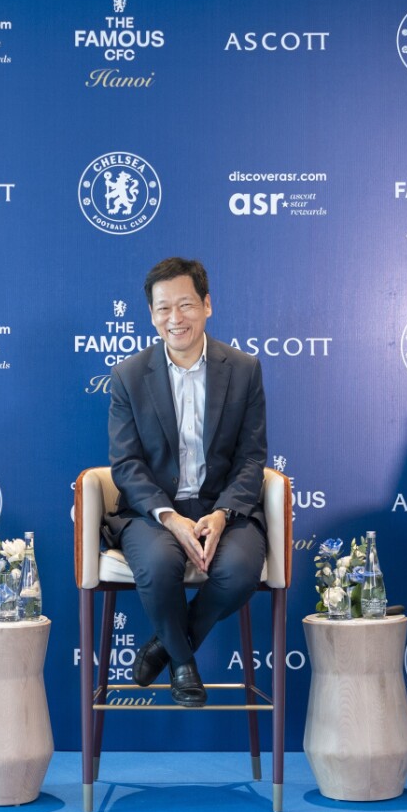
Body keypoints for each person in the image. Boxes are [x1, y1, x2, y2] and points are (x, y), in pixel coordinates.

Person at [106, 257, 268, 706]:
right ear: (151, 314)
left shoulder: (244, 369)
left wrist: (223, 513)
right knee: (159, 566)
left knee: (238, 573)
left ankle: (165, 647)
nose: (174, 318)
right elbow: (126, 463)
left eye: (186, 305)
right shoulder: (128, 376)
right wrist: (169, 517)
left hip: (224, 508)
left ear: (207, 305)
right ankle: (182, 664)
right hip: (154, 512)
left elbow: (251, 457)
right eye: (163, 308)